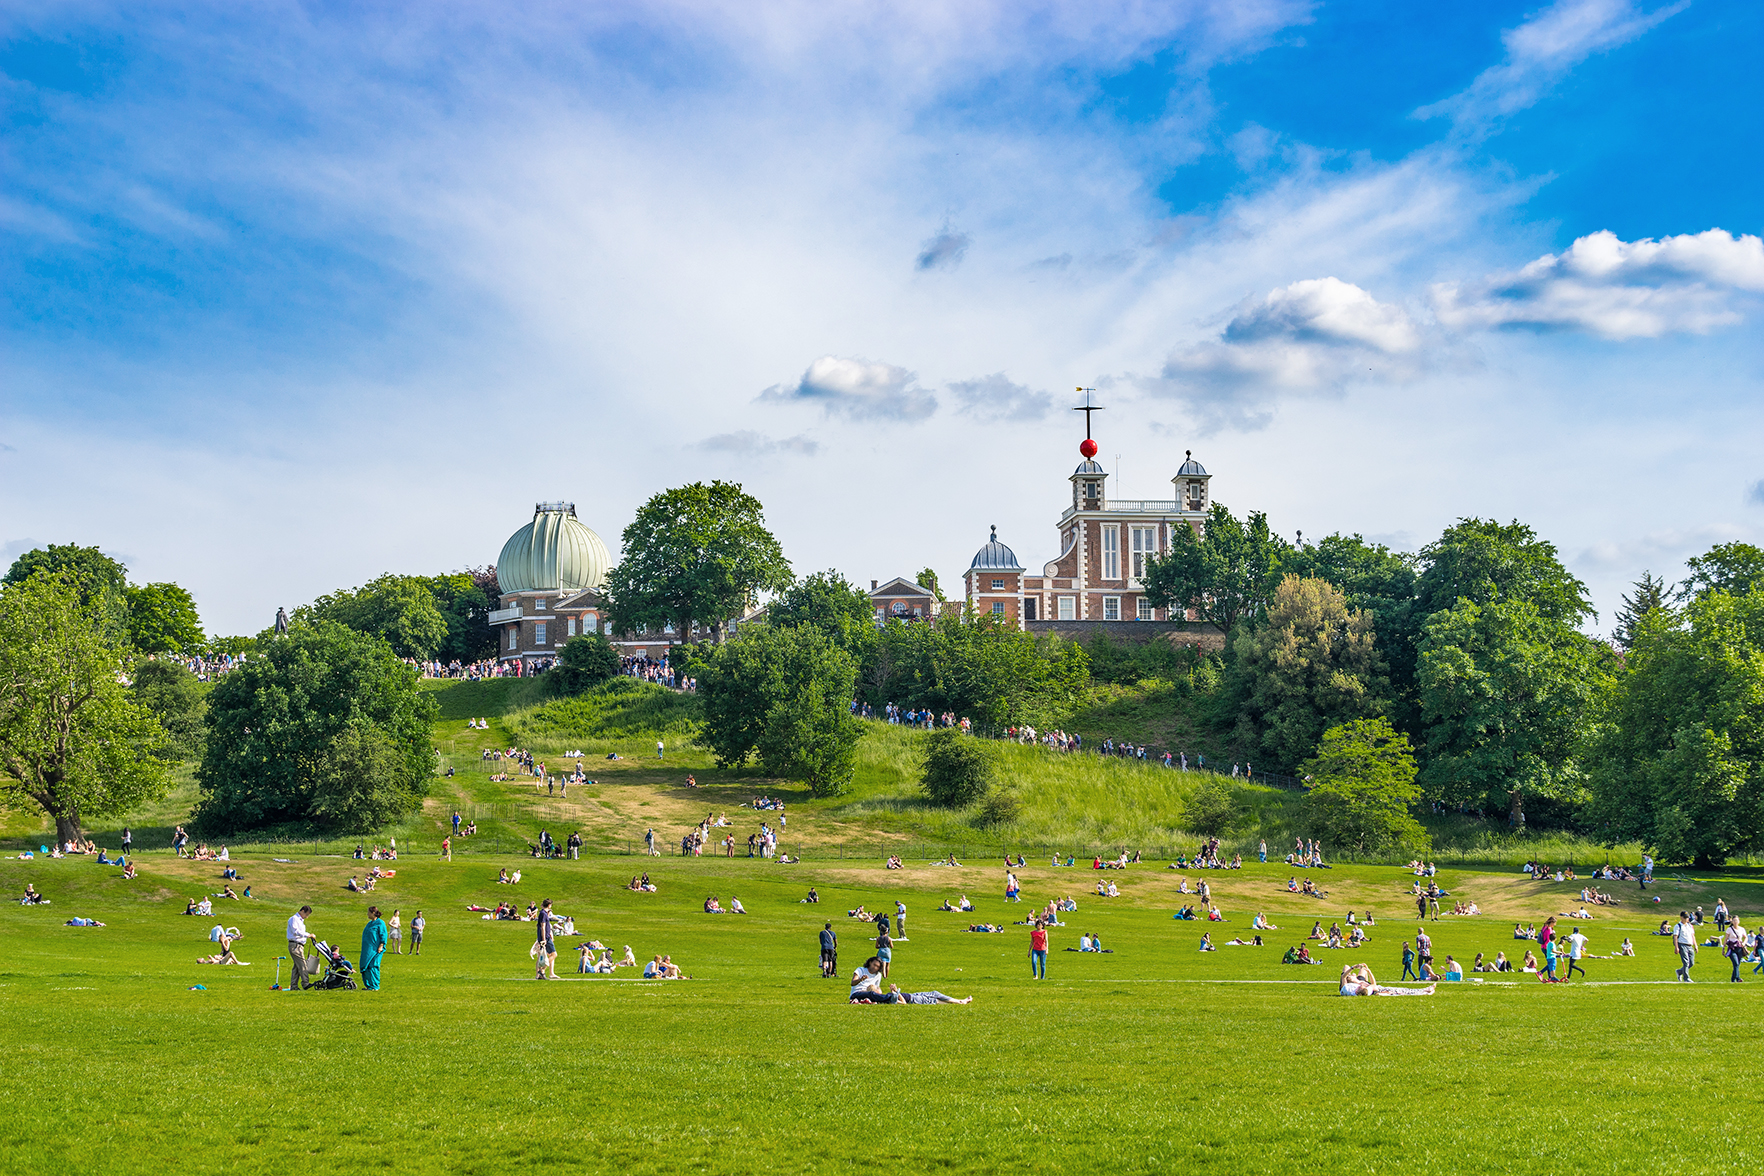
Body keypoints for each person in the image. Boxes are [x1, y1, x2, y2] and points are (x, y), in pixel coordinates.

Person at [1339, 962, 1434, 996]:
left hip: (1375, 987)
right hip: (1379, 989)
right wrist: (1367, 972)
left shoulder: (1354, 984)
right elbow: (1373, 985)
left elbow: (1345, 970)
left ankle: (1425, 990)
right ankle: (1425, 990)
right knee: (1403, 991)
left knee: (1404, 990)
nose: (1352, 975)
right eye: (1350, 976)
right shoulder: (1358, 988)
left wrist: (1364, 969)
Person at [286, 904, 315, 991]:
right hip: (295, 945)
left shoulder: (300, 921)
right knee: (302, 964)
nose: (306, 917)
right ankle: (305, 983)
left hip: (299, 945)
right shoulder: (294, 919)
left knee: (296, 967)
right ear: (302, 911)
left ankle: (294, 986)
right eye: (306, 914)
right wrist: (308, 935)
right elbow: (296, 931)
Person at [359, 906, 387, 991]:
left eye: (369, 912)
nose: (367, 914)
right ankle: (369, 986)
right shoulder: (369, 923)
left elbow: (383, 935)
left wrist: (381, 945)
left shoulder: (380, 923)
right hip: (367, 949)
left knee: (373, 966)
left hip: (376, 949)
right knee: (366, 966)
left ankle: (375, 986)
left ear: (373, 913)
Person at [1674, 909, 1698, 982]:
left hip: (1690, 945)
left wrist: (1695, 945)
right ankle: (1686, 978)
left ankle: (1679, 972)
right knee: (1686, 962)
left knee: (1691, 962)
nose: (1686, 919)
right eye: (1685, 917)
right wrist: (1676, 947)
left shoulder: (1690, 926)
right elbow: (1675, 937)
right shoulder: (1678, 926)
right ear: (1681, 917)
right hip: (1682, 944)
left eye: (1687, 917)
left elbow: (1692, 936)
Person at [889, 985, 972, 1004]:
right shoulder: (887, 1000)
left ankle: (959, 1001)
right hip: (913, 999)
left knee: (935, 993)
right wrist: (896, 992)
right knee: (935, 1000)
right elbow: (903, 1003)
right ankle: (960, 1002)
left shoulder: (885, 997)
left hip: (913, 995)